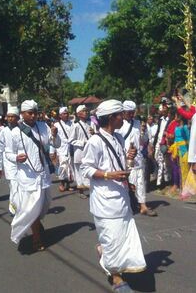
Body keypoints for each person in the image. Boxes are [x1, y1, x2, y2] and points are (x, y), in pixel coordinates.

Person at [81, 100, 146, 293]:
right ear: (111, 118)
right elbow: (86, 168)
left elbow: (122, 167)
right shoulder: (95, 141)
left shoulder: (118, 137)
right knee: (111, 239)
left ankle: (107, 255)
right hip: (104, 201)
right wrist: (109, 175)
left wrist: (130, 158)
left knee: (120, 239)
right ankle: (116, 277)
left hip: (122, 198)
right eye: (120, 115)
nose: (123, 118)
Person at [5, 100, 60, 251]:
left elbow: (56, 144)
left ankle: (36, 223)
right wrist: (16, 158)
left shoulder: (43, 126)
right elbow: (8, 153)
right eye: (30, 113)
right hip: (28, 177)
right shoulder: (15, 132)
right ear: (22, 114)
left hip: (44, 174)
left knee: (44, 205)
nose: (33, 115)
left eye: (35, 112)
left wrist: (54, 135)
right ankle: (36, 237)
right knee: (32, 207)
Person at [117, 101, 157, 216]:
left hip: (138, 158)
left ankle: (143, 205)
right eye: (129, 113)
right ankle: (130, 203)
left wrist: (144, 134)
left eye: (133, 112)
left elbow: (145, 140)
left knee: (141, 182)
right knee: (129, 182)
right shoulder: (119, 125)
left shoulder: (138, 123)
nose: (131, 115)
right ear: (123, 112)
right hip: (125, 158)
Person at [0, 106, 20, 215]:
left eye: (12, 117)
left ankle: (24, 208)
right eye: (8, 117)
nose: (10, 119)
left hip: (23, 163)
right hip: (9, 164)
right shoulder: (4, 131)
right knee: (14, 187)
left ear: (17, 118)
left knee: (22, 186)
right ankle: (15, 210)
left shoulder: (22, 130)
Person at [68, 105, 97, 199]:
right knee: (79, 172)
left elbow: (96, 135)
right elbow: (71, 140)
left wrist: (94, 134)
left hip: (90, 151)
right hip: (79, 152)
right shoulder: (75, 125)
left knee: (91, 169)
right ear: (79, 114)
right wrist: (82, 143)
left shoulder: (91, 123)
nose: (86, 113)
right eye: (84, 111)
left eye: (86, 111)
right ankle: (81, 191)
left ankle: (92, 189)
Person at [53, 106, 74, 192]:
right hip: (62, 148)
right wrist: (53, 151)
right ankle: (62, 183)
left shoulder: (72, 123)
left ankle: (68, 184)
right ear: (60, 115)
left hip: (71, 147)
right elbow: (54, 138)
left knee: (70, 167)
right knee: (62, 166)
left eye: (67, 113)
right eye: (64, 114)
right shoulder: (56, 125)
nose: (66, 115)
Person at [153, 104, 171, 187]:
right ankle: (166, 178)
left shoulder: (170, 120)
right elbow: (158, 131)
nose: (162, 110)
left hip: (164, 143)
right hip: (158, 142)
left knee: (162, 161)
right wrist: (154, 143)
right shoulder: (160, 120)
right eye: (162, 108)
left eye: (164, 108)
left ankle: (159, 182)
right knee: (158, 160)